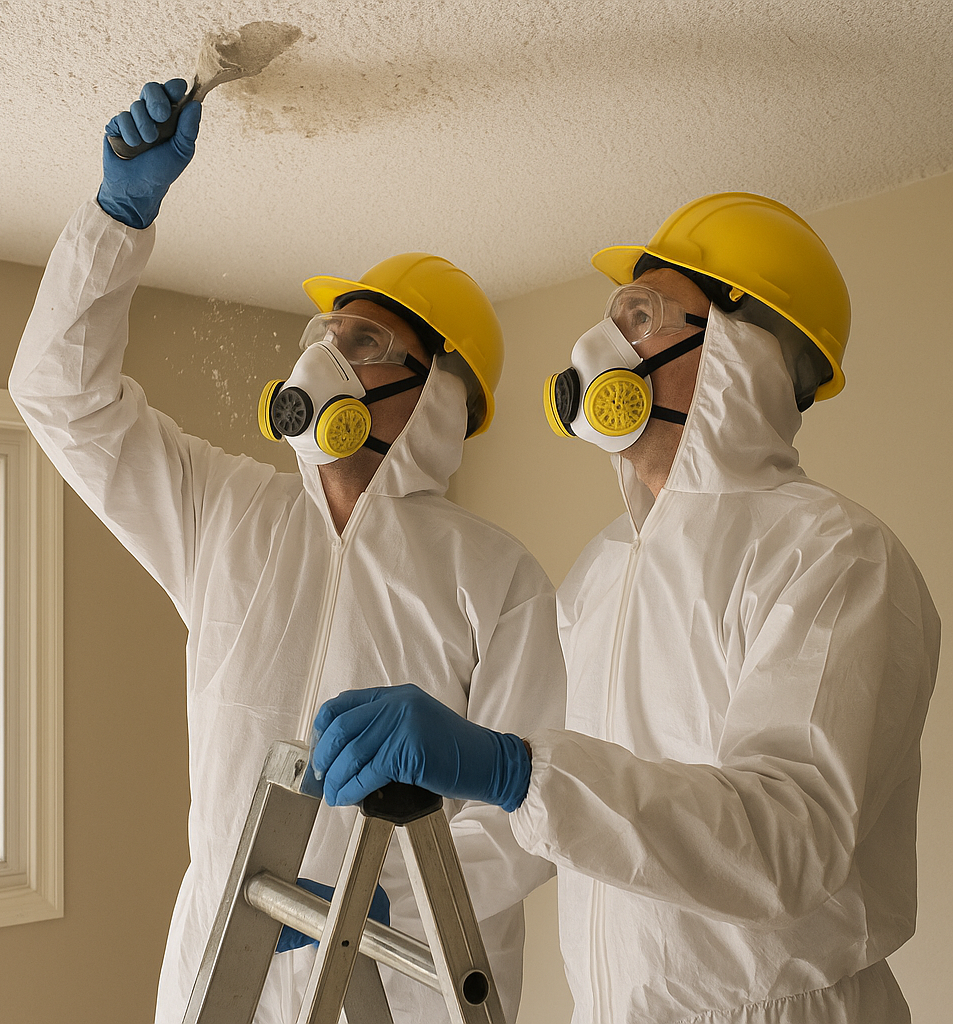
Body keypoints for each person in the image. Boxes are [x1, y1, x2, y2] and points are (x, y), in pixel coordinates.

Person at [9, 79, 565, 1023]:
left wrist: (378, 907)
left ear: (434, 393)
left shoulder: (496, 576)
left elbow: (532, 814)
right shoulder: (228, 513)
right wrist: (116, 219)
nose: (323, 353)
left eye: (361, 338)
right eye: (325, 332)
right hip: (224, 970)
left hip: (405, 974)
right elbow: (62, 401)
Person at [312, 193, 941, 1023]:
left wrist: (510, 766)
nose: (601, 346)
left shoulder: (834, 556)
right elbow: (555, 820)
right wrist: (387, 901)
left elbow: (789, 842)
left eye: (640, 316)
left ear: (737, 350)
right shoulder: (600, 571)